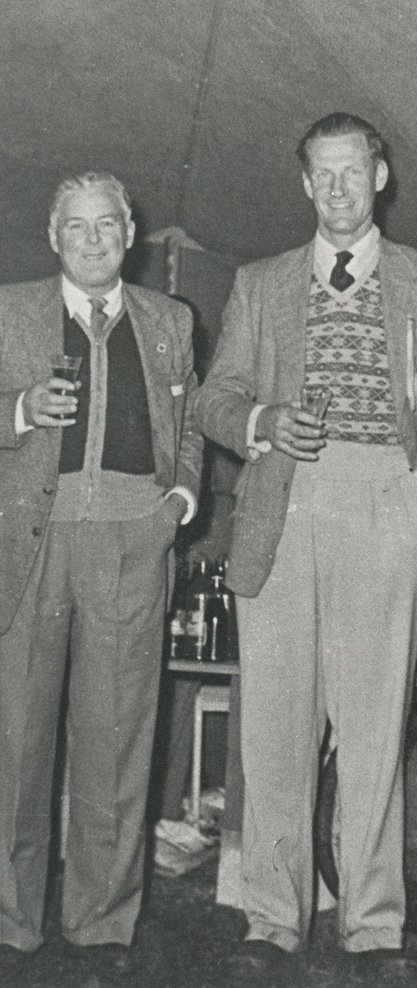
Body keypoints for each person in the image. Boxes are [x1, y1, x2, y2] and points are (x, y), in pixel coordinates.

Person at [194, 112, 417, 980]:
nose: (341, 188)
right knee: (275, 728)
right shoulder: (261, 281)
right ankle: (272, 920)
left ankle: (374, 926)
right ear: (305, 185)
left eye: (355, 171)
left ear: (380, 176)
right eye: (325, 174)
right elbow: (214, 401)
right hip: (284, 499)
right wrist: (261, 421)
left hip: (386, 496)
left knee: (373, 726)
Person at [0, 171, 202, 981]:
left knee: (116, 739)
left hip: (131, 538)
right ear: (54, 239)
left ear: (130, 233)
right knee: (17, 739)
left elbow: (186, 427)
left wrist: (179, 503)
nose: (92, 240)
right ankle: (12, 922)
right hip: (29, 542)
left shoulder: (170, 319)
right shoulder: (8, 308)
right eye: (76, 228)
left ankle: (102, 925)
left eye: (107, 226)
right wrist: (17, 410)